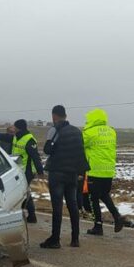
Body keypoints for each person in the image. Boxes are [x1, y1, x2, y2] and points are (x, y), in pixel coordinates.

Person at [41, 105, 89, 249]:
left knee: (57, 207)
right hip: (72, 174)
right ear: (65, 115)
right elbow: (81, 152)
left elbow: (47, 150)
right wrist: (81, 172)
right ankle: (75, 239)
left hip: (57, 173)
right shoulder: (77, 131)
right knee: (72, 205)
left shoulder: (54, 130)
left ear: (54, 116)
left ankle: (55, 239)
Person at [0, 119, 44, 223]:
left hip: (27, 171)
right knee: (22, 192)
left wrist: (40, 172)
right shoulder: (17, 137)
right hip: (18, 170)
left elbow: (36, 157)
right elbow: (7, 137)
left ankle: (31, 215)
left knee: (24, 192)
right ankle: (27, 215)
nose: (14, 129)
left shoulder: (29, 140)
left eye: (15, 127)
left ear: (19, 128)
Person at [82, 108, 124, 235]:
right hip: (108, 171)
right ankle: (117, 216)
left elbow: (81, 145)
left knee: (93, 199)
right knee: (104, 195)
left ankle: (98, 226)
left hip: (94, 171)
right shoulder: (111, 131)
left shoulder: (89, 133)